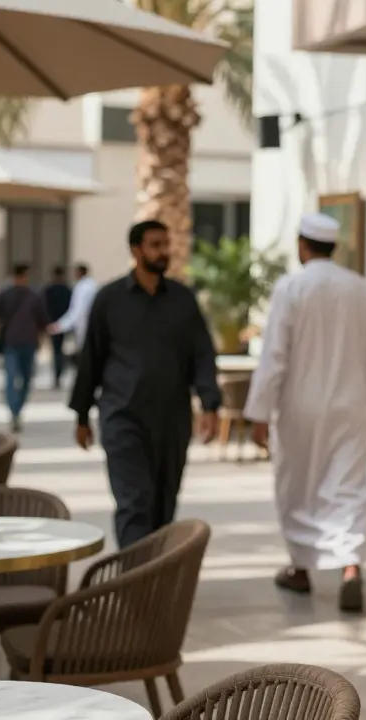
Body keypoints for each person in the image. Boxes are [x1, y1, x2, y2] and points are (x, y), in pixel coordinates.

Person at [245, 213, 366, 613]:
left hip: (299, 406)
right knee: (348, 484)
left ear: (302, 245)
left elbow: (274, 355)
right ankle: (350, 567)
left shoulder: (291, 287)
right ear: (333, 247)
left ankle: (301, 569)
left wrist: (259, 413)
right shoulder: (359, 288)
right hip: (352, 405)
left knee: (298, 484)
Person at [69, 221, 221, 548]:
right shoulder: (109, 300)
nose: (163, 252)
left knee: (163, 506)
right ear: (136, 250)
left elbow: (202, 354)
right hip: (123, 416)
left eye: (166, 244)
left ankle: (154, 580)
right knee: (134, 502)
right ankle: (134, 584)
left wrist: (210, 403)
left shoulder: (183, 300)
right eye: (155, 245)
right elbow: (90, 360)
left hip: (172, 420)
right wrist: (81, 415)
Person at [0, 264, 51, 432]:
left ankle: (15, 410)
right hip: (23, 342)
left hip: (17, 341)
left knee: (16, 378)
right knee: (20, 379)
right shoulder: (32, 296)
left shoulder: (10, 295)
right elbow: (44, 322)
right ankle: (16, 410)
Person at [48, 263, 98, 367]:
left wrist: (60, 326)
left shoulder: (82, 288)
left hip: (84, 328)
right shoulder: (92, 285)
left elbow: (77, 312)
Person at [42, 265, 73, 388]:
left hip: (52, 323)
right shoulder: (68, 290)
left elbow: (44, 307)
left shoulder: (49, 290)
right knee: (59, 350)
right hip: (63, 323)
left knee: (56, 350)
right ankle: (58, 374)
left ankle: (57, 375)